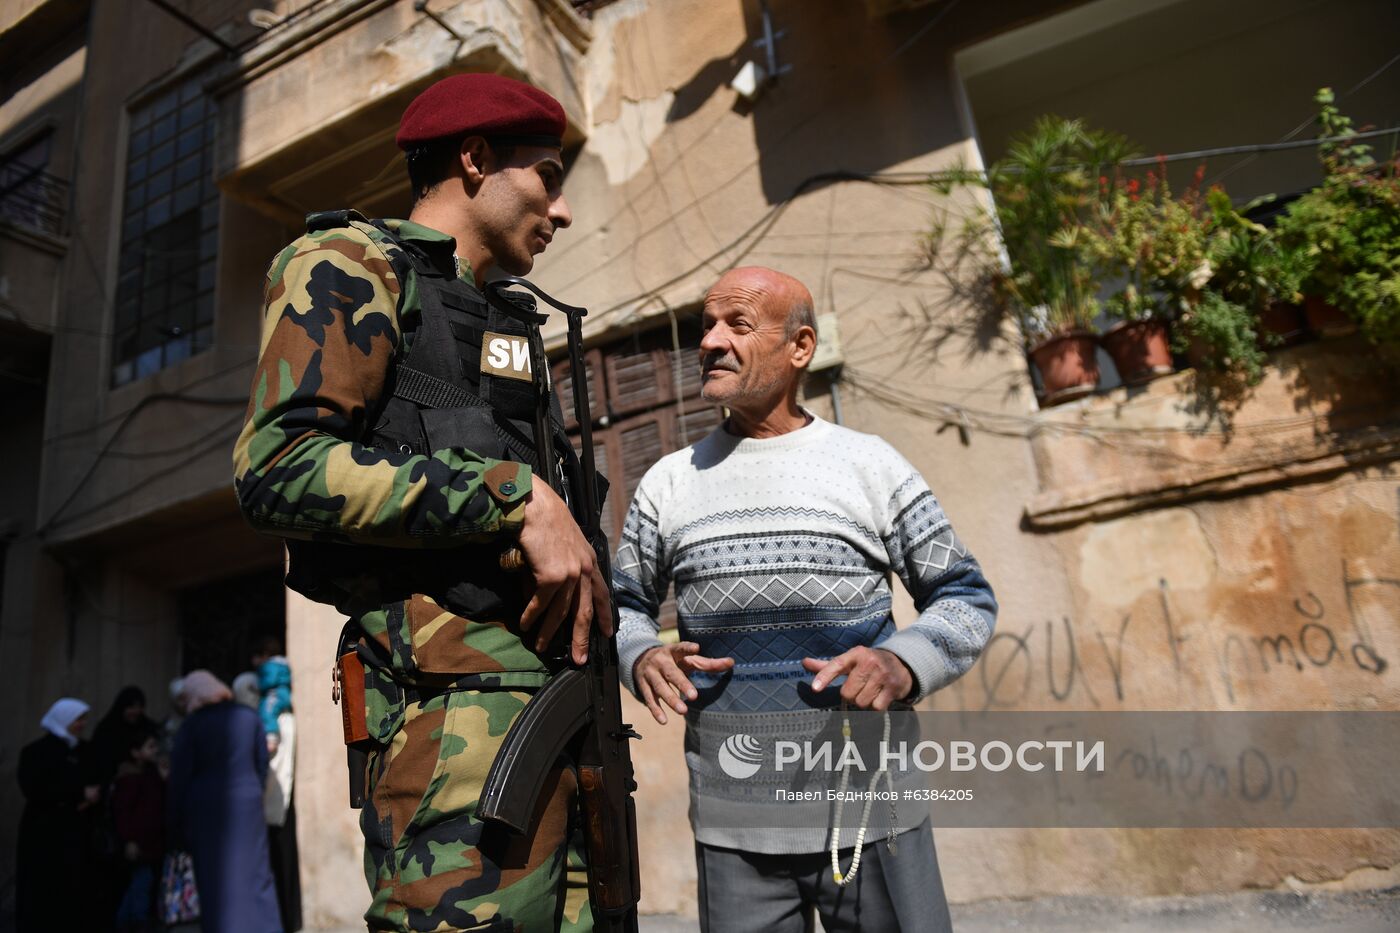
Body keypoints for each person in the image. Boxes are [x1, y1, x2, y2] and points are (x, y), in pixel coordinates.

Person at [232, 71, 609, 932]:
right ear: (475, 160)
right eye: (548, 176)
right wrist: (513, 496)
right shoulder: (349, 263)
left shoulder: (503, 323)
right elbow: (277, 465)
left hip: (562, 715)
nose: (562, 208)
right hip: (454, 731)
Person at [613, 267, 999, 932]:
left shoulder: (869, 464)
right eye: (706, 325)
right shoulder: (667, 484)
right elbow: (623, 607)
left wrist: (903, 662)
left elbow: (964, 596)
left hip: (873, 814)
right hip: (736, 823)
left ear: (800, 347)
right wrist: (640, 652)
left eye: (737, 323)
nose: (709, 341)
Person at [167, 670, 281, 933]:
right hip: (248, 806)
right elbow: (261, 764)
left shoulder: (192, 726)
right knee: (256, 874)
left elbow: (179, 779)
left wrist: (174, 828)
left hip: (207, 810)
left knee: (215, 879)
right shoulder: (249, 717)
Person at [16, 698, 101, 932]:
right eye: (77, 719)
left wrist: (90, 797)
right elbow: (35, 788)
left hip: (76, 831)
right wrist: (77, 794)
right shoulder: (36, 753)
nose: (82, 725)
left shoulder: (85, 750)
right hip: (45, 832)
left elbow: (98, 776)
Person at [233, 668, 302, 932]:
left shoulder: (268, 713)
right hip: (274, 799)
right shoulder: (275, 712)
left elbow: (268, 757)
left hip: (269, 800)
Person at [112, 729, 165, 932]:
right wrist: (130, 840)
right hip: (139, 844)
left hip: (150, 843)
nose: (155, 750)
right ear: (135, 752)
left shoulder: (150, 774)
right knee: (140, 889)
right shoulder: (129, 778)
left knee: (139, 888)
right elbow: (123, 813)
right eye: (150, 747)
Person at [249, 636, 292, 756]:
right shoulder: (281, 663)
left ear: (264, 654)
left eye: (256, 656)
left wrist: (258, 686)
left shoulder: (270, 665)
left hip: (275, 694)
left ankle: (271, 739)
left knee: (267, 711)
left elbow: (270, 680)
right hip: (282, 694)